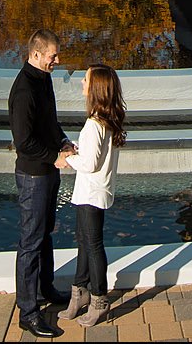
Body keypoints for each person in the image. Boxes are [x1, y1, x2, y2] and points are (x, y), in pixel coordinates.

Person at [8, 28, 77, 339]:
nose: (57, 60)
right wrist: (54, 157)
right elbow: (23, 143)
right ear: (36, 55)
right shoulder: (24, 90)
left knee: (45, 233)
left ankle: (45, 289)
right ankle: (28, 311)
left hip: (48, 171)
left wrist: (63, 141)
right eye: (53, 56)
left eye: (56, 55)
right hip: (34, 175)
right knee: (30, 242)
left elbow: (50, 121)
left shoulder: (43, 78)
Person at [55, 64, 127, 327]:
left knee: (92, 245)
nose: (82, 84)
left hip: (91, 193)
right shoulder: (105, 120)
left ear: (95, 87)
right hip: (92, 192)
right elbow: (93, 156)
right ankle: (79, 291)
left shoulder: (94, 124)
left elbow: (90, 164)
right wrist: (76, 150)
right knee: (85, 243)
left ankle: (98, 298)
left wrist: (67, 158)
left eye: (85, 80)